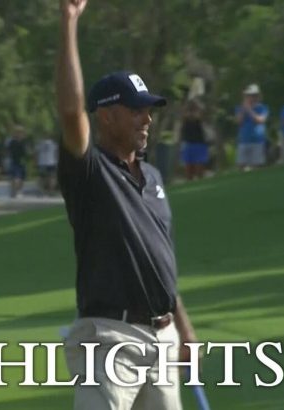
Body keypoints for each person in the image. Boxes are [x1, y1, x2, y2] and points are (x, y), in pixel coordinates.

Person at [56, 1, 198, 409]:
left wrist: (184, 331)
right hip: (110, 337)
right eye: (135, 110)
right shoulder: (89, 173)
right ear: (106, 116)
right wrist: (68, 22)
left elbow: (159, 263)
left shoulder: (152, 178)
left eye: (149, 111)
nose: (147, 119)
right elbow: (69, 110)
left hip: (163, 338)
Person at [235, 83, 269, 170]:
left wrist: (249, 110)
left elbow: (260, 120)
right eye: (248, 95)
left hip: (257, 141)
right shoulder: (240, 108)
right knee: (241, 166)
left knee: (257, 166)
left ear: (257, 96)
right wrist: (244, 109)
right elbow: (239, 122)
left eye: (252, 95)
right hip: (244, 140)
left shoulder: (262, 107)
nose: (250, 97)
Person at [179, 98, 209, 180]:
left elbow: (200, 115)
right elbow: (183, 115)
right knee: (188, 171)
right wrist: (187, 105)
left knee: (200, 170)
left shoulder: (199, 115)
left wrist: (197, 104)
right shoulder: (185, 116)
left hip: (199, 144)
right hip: (188, 144)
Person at [8, 125, 29, 198]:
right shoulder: (12, 142)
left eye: (21, 132)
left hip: (22, 162)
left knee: (22, 177)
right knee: (16, 177)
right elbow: (9, 152)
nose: (19, 134)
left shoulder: (24, 142)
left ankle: (18, 191)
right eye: (18, 132)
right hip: (15, 161)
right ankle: (14, 191)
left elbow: (27, 152)